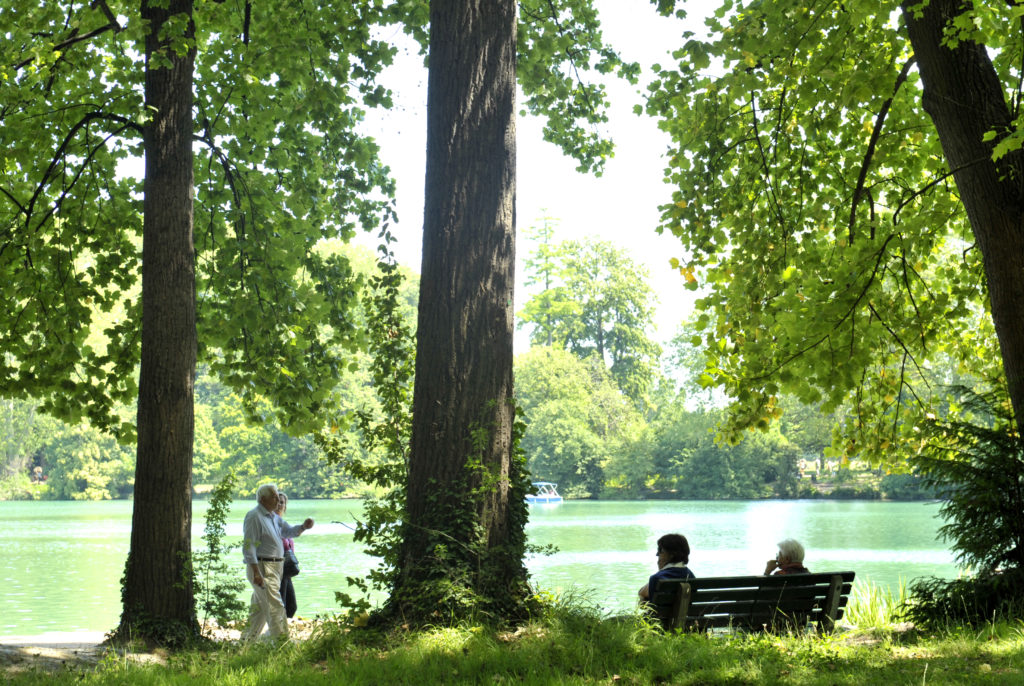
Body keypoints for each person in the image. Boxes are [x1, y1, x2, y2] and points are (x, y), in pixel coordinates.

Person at [241, 483, 313, 641]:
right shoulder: (254, 516)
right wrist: (256, 572)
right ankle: (282, 644)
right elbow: (248, 546)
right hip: (262, 567)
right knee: (276, 607)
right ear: (262, 499)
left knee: (259, 610)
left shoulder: (273, 517)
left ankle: (245, 644)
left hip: (275, 566)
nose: (278, 500)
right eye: (274, 497)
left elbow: (288, 531)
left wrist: (303, 527)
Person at [638, 533, 694, 603]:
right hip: (687, 610)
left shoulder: (656, 578)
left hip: (660, 610)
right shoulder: (691, 576)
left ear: (672, 554)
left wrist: (660, 571)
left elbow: (645, 597)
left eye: (660, 550)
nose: (657, 554)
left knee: (642, 599)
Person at [276, 492, 298, 620]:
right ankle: (277, 629)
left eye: (282, 502)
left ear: (285, 506)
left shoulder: (284, 525)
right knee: (281, 604)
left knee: (291, 606)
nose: (279, 504)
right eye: (277, 502)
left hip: (287, 570)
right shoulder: (271, 524)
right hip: (277, 569)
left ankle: (281, 627)